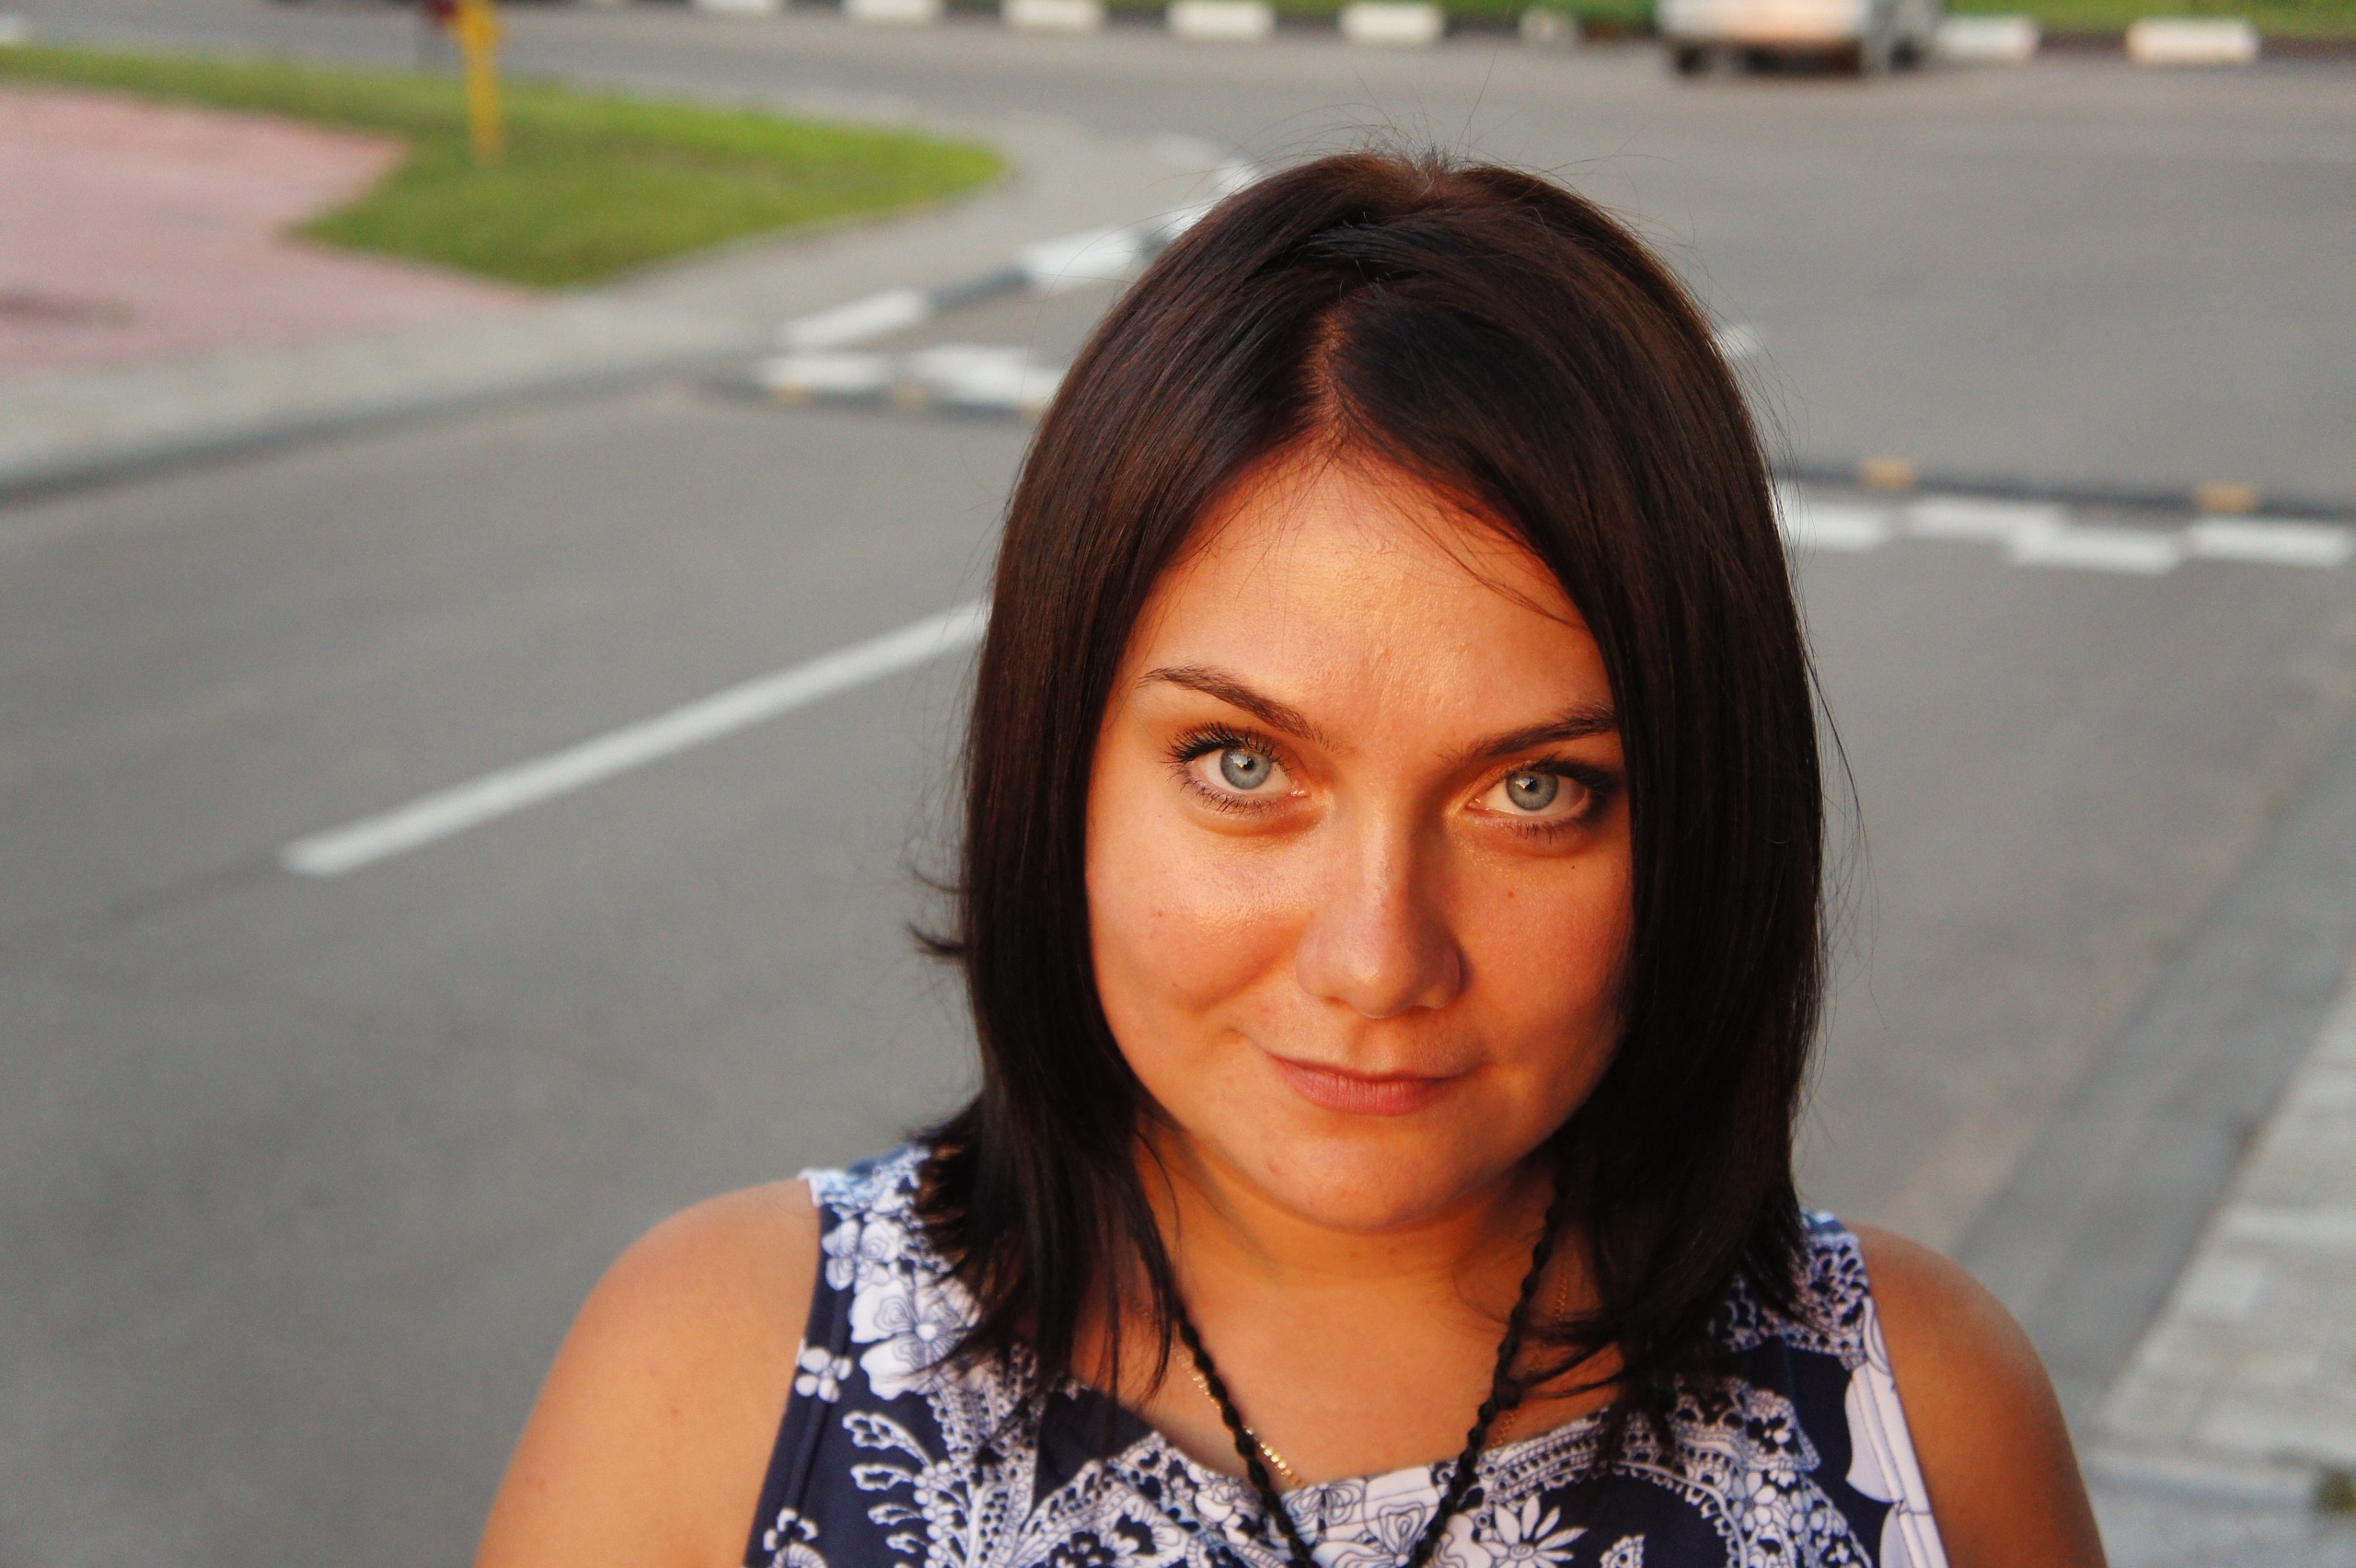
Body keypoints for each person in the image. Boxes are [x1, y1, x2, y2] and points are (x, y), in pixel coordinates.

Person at [476, 152, 2107, 1568]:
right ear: (1061, 769)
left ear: (1705, 819)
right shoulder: (715, 1384)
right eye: (1242, 765)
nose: (1377, 958)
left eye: (1536, 789)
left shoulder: (1920, 1422)